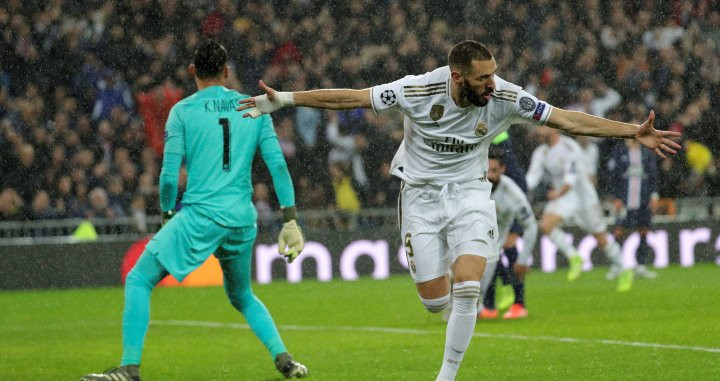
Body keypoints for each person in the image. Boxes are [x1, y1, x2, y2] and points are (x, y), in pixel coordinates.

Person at [237, 40, 680, 381]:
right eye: (483, 77)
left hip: (471, 193)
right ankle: (444, 297)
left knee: (469, 287)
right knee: (436, 304)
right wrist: (287, 99)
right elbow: (352, 98)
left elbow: (566, 119)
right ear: (457, 76)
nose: (493, 83)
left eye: (494, 75)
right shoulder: (417, 89)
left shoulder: (506, 97)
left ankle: (446, 376)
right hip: (420, 197)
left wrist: (629, 132)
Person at [82, 40, 308, 381]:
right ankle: (285, 359)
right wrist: (290, 219)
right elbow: (277, 165)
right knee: (242, 295)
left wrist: (168, 214)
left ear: (192, 72)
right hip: (241, 218)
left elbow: (169, 175)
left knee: (139, 278)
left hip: (201, 215)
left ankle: (129, 369)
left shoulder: (183, 111)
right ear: (227, 72)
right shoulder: (254, 107)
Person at [526, 126, 632, 292]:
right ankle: (574, 257)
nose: (538, 131)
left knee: (601, 239)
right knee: (546, 225)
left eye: (541, 127)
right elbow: (531, 178)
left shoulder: (569, 147)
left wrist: (557, 193)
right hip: (564, 197)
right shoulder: (541, 152)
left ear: (552, 129)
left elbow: (571, 178)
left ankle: (624, 269)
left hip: (583, 197)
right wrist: (521, 190)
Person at [478, 147, 538, 320]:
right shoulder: (471, 185)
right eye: (486, 170)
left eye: (494, 171)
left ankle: (517, 303)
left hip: (492, 245)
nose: (489, 175)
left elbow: (531, 225)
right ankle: (480, 307)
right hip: (469, 239)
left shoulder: (511, 194)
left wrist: (523, 259)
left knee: (477, 288)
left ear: (503, 169)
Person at [608, 138, 659, 279]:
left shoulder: (646, 153)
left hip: (643, 199)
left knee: (643, 230)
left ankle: (641, 266)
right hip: (625, 200)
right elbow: (613, 176)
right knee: (619, 231)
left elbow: (653, 176)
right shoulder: (620, 152)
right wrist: (615, 197)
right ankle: (616, 265)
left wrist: (654, 196)